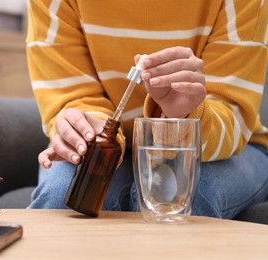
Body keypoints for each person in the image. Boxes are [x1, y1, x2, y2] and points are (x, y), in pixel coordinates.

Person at [26, 0, 268, 219]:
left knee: (178, 196)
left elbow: (231, 114)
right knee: (60, 194)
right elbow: (73, 96)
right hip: (112, 146)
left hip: (226, 149)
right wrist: (90, 129)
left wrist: (183, 118)